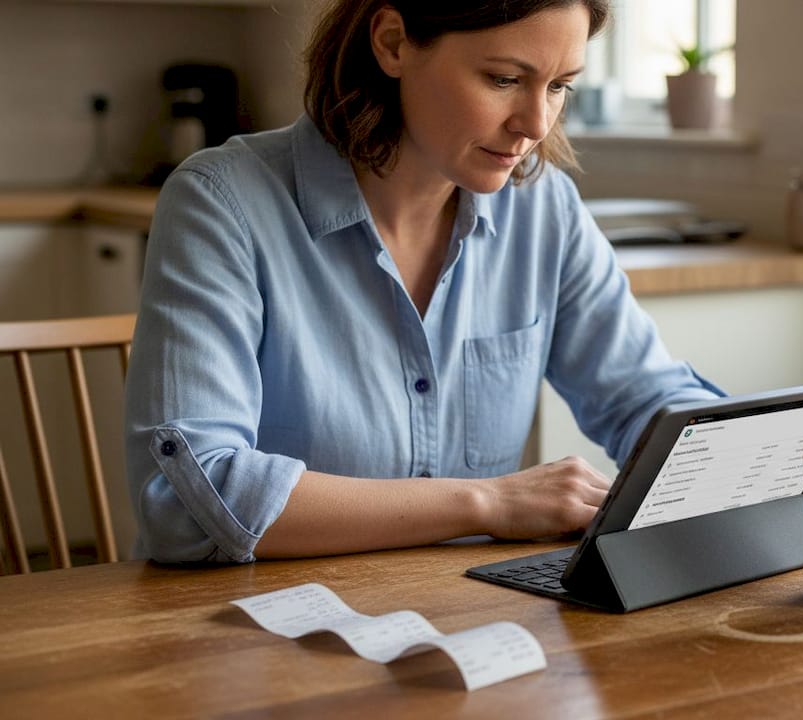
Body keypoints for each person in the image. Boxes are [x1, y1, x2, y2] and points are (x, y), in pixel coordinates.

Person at [124, 0, 721, 564]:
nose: (536, 123)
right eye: (504, 79)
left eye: (559, 85)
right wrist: (488, 501)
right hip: (252, 633)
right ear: (392, 44)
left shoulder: (544, 210)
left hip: (470, 620)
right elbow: (186, 502)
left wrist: (762, 452)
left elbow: (642, 398)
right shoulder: (221, 203)